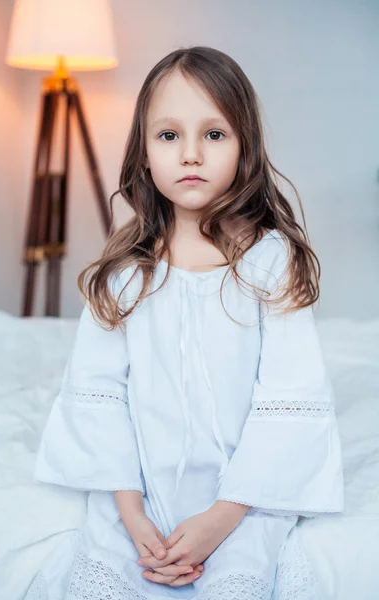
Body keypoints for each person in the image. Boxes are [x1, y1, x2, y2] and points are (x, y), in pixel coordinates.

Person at [24, 46, 344, 600]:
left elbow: (286, 400)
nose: (191, 153)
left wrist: (221, 519)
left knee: (237, 585)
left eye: (214, 134)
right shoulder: (125, 272)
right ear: (144, 152)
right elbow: (101, 395)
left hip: (245, 498)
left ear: (244, 148)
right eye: (169, 136)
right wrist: (132, 514)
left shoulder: (271, 262)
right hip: (138, 494)